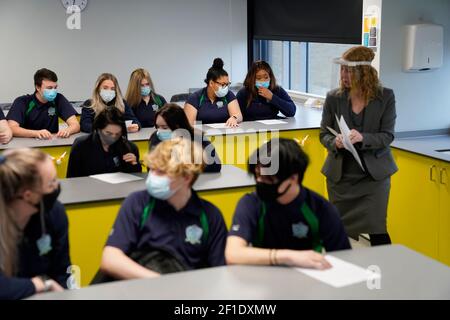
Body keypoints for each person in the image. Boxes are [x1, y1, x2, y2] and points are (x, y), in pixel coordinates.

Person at [100, 138, 227, 280]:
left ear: (186, 177)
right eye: (152, 169)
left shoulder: (210, 216)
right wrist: (161, 282)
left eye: (161, 172)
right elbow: (110, 259)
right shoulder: (137, 203)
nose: (152, 177)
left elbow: (219, 273)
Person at [225, 138, 350, 269]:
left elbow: (344, 260)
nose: (260, 181)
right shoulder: (251, 203)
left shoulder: (321, 208)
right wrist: (288, 257)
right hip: (262, 280)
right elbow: (232, 253)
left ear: (293, 178)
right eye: (257, 176)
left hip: (308, 282)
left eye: (268, 178)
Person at [320, 46, 398, 246]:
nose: (344, 74)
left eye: (349, 70)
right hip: (341, 178)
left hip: (373, 179)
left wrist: (363, 137)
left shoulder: (385, 97)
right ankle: (344, 274)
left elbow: (387, 136)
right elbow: (323, 135)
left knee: (378, 230)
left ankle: (386, 271)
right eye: (342, 69)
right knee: (339, 231)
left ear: (363, 72)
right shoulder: (333, 98)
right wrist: (334, 142)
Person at [0, 148, 71, 300]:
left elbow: (61, 270)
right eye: (51, 182)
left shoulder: (54, 214)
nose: (57, 186)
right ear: (28, 195)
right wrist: (39, 284)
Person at [67, 107, 142, 178]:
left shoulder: (129, 148)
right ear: (98, 129)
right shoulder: (81, 146)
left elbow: (135, 180)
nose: (113, 137)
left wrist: (134, 165)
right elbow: (72, 178)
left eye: (117, 134)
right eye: (108, 133)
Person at [7, 68, 80, 139]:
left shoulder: (58, 98)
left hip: (51, 144)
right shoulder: (22, 102)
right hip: (27, 146)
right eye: (49, 88)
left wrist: (67, 131)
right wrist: (36, 133)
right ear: (38, 87)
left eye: (55, 87)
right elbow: (12, 128)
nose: (53, 91)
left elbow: (75, 125)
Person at [149, 103, 221, 173]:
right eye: (157, 127)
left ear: (178, 126)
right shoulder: (156, 138)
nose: (159, 131)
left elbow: (215, 165)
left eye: (164, 127)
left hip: (195, 181)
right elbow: (152, 167)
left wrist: (185, 166)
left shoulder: (197, 137)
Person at [184, 58, 242, 127]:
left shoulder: (228, 95)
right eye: (223, 84)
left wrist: (234, 118)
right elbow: (189, 125)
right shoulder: (195, 98)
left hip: (225, 134)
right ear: (211, 83)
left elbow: (239, 115)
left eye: (227, 84)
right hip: (201, 135)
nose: (226, 87)